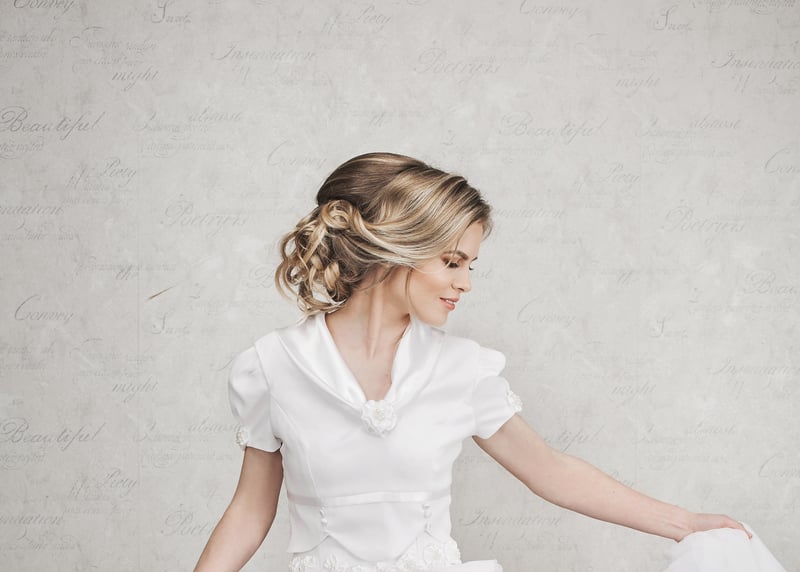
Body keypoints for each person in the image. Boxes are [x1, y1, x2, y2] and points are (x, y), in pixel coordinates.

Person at [194, 152, 752, 572]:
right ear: (395, 249)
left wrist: (684, 523)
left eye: (471, 266)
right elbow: (250, 510)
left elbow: (551, 471)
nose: (465, 283)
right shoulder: (272, 367)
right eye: (453, 261)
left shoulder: (463, 369)